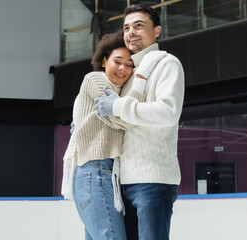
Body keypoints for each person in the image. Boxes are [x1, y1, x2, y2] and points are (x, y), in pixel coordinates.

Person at [93, 3, 185, 240]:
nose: (130, 32)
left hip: (153, 180)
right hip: (122, 182)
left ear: (157, 31)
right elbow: (120, 123)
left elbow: (168, 112)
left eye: (138, 25)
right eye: (126, 28)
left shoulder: (167, 64)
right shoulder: (127, 71)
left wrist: (118, 106)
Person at [61, 30, 163, 240]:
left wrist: (123, 105)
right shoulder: (95, 80)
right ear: (104, 61)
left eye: (129, 65)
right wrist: (141, 81)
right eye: (117, 61)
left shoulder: (117, 92)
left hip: (104, 173)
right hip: (94, 171)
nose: (123, 68)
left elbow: (122, 113)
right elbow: (125, 119)